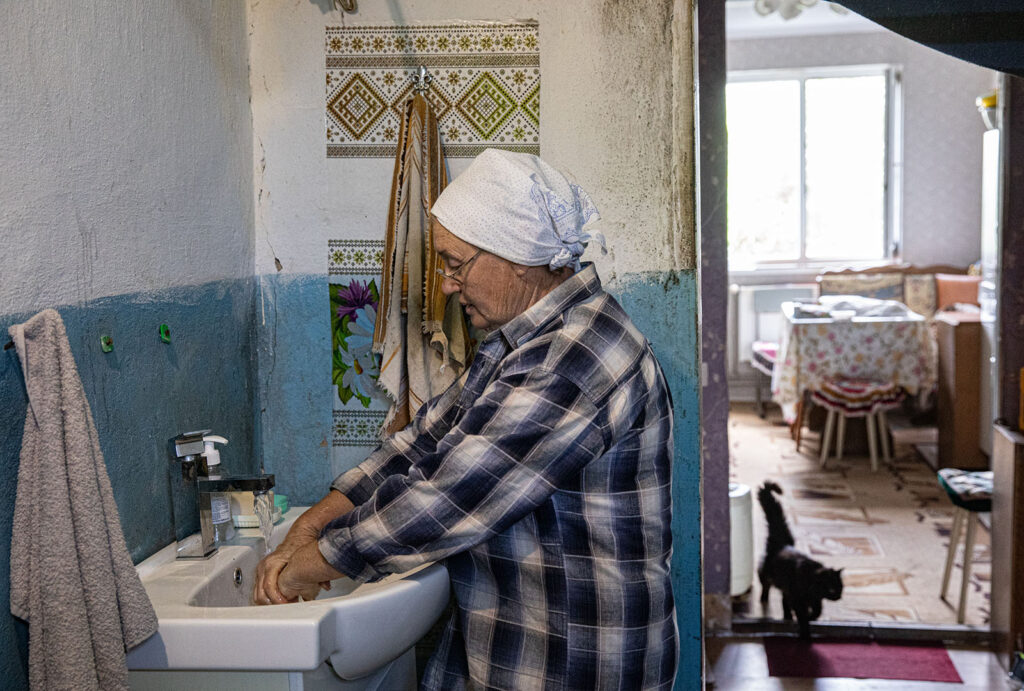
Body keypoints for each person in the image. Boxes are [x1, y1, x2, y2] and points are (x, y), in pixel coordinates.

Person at [253, 148, 678, 690]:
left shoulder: (574, 356)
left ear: (517, 257)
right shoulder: (520, 344)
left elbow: (448, 498)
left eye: (456, 264)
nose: (448, 286)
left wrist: (301, 569)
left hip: (575, 660)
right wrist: (309, 525)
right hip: (523, 644)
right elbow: (422, 443)